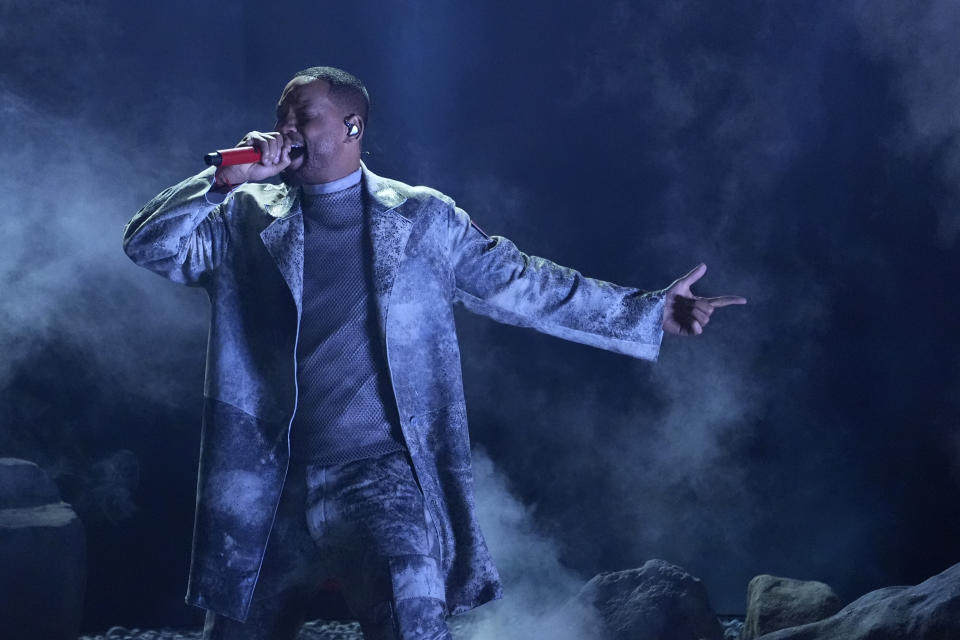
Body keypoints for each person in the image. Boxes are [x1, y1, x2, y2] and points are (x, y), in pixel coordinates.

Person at [122, 66, 746, 640]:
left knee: (414, 622)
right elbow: (148, 245)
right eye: (282, 116)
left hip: (379, 477)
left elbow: (527, 285)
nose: (286, 130)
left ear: (352, 126)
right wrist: (220, 181)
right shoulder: (244, 219)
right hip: (265, 481)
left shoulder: (423, 219)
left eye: (303, 116)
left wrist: (649, 312)